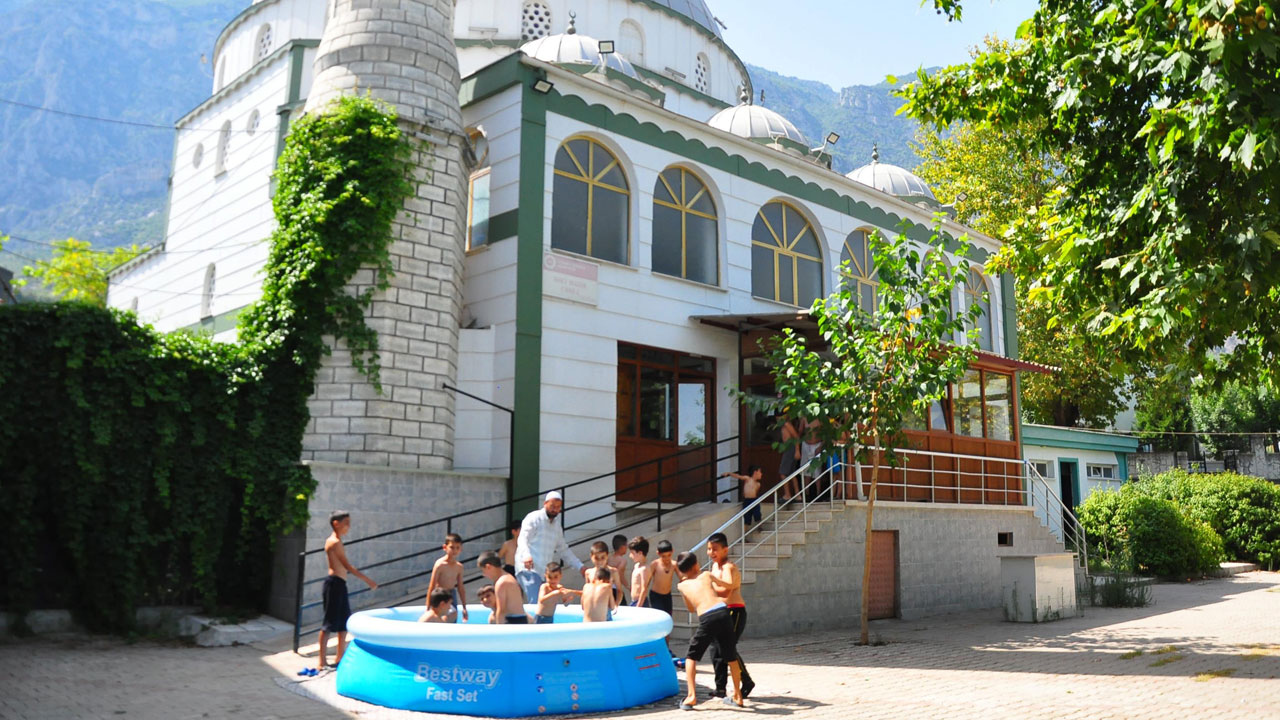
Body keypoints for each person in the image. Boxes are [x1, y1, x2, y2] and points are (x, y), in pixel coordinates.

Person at [675, 551, 743, 709]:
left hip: (707, 616)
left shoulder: (681, 585)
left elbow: (691, 608)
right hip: (723, 611)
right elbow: (727, 585)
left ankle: (691, 696)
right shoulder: (706, 574)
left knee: (691, 657)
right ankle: (738, 696)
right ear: (696, 565)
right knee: (731, 657)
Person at [318, 510, 377, 672]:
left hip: (340, 584)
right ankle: (321, 661)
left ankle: (340, 657)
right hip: (334, 584)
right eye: (346, 523)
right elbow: (347, 565)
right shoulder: (333, 542)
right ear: (336, 523)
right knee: (328, 623)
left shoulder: (338, 541)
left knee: (344, 622)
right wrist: (367, 580)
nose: (348, 527)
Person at [706, 532, 755, 700]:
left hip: (735, 612)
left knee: (728, 648)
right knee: (715, 649)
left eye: (715, 549)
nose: (711, 553)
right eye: (709, 549)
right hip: (719, 611)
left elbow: (727, 589)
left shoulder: (729, 567)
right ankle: (720, 688)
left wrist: (711, 582)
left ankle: (746, 681)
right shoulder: (713, 567)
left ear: (725, 550)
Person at [515, 491, 585, 604]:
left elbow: (563, 549)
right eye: (552, 506)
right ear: (545, 503)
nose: (555, 509)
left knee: (546, 604)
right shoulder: (533, 518)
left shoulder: (557, 526)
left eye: (558, 507)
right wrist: (526, 555)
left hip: (545, 573)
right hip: (529, 568)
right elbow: (523, 538)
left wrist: (580, 566)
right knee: (537, 604)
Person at [426, 532, 468, 623]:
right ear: (445, 547)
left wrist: (464, 607)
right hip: (440, 594)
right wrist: (428, 606)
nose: (455, 550)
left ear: (461, 549)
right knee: (439, 618)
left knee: (453, 617)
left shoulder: (459, 567)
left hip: (451, 594)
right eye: (452, 547)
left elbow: (461, 587)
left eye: (457, 548)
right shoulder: (440, 564)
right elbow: (432, 586)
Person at [478, 550, 528, 624]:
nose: (484, 574)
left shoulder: (501, 583)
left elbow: (501, 610)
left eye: (483, 571)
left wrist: (499, 630)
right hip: (519, 619)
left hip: (514, 621)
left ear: (488, 567)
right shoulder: (507, 577)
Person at [589, 540, 624, 606]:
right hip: (597, 606)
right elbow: (587, 592)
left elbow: (619, 591)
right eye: (596, 558)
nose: (599, 561)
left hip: (611, 604)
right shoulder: (589, 573)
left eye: (602, 558)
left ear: (607, 556)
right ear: (591, 556)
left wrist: (616, 605)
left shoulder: (613, 572)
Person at [647, 539, 676, 615]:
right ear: (658, 553)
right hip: (656, 595)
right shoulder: (655, 564)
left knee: (668, 616)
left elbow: (682, 576)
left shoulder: (674, 564)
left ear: (672, 551)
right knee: (659, 616)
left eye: (669, 555)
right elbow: (647, 581)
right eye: (663, 556)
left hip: (667, 595)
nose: (666, 558)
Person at [778, 416, 802, 501]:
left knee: (783, 472)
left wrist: (797, 450)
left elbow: (796, 437)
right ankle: (797, 494)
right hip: (788, 448)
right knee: (792, 473)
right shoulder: (783, 425)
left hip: (791, 448)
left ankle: (787, 494)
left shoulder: (787, 424)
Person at [627, 537, 651, 607]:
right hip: (634, 601)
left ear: (640, 553)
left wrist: (638, 606)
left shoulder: (644, 569)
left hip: (640, 602)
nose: (630, 556)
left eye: (632, 553)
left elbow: (644, 589)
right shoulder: (636, 565)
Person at [608, 534, 629, 602]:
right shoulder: (622, 560)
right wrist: (628, 586)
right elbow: (619, 574)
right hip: (616, 588)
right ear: (622, 547)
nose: (627, 547)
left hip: (607, 588)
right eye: (626, 545)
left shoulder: (609, 558)